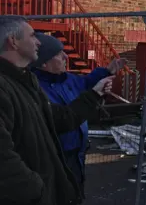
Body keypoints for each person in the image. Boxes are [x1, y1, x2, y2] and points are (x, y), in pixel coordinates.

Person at [0, 16, 114, 205]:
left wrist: (94, 94)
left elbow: (59, 118)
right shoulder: (5, 87)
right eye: (32, 35)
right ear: (13, 41)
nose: (38, 41)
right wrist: (37, 189)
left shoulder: (26, 82)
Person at [30, 32, 126, 196]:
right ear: (44, 63)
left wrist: (107, 71)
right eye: (59, 54)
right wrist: (96, 93)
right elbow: (61, 119)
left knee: (75, 191)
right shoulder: (34, 89)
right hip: (54, 159)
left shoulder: (67, 79)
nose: (65, 57)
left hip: (77, 155)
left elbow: (86, 82)